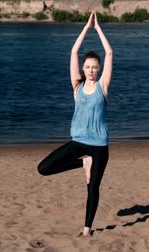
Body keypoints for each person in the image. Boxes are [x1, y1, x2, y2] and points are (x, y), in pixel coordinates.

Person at [37, 12, 113, 237]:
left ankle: (87, 229)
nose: (91, 70)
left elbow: (109, 52)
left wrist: (98, 29)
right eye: (88, 66)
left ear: (98, 69)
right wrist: (86, 27)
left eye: (94, 67)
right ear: (83, 68)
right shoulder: (77, 86)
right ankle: (82, 163)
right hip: (78, 142)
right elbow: (72, 51)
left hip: (99, 145)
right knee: (44, 168)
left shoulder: (103, 87)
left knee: (93, 188)